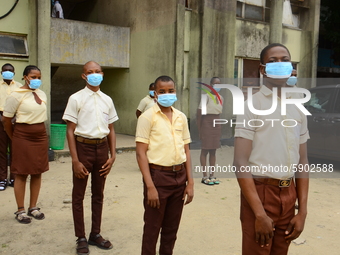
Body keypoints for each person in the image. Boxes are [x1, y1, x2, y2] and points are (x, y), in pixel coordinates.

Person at [233, 43, 309, 255]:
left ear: (292, 67)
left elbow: (303, 162)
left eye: (284, 60)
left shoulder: (299, 106)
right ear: (262, 69)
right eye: (273, 61)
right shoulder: (251, 105)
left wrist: (302, 211)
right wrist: (258, 213)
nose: (280, 64)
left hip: (289, 192)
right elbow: (240, 162)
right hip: (260, 193)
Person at [62, 61, 118, 255]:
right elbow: (70, 131)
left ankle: (95, 234)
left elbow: (111, 129)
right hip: (82, 148)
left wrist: (113, 155)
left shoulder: (107, 100)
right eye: (89, 72)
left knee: (98, 194)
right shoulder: (76, 98)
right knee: (78, 195)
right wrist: (75, 160)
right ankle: (81, 237)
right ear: (83, 76)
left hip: (101, 149)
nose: (94, 74)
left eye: (97, 71)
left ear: (102, 74)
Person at [136, 75, 194, 255]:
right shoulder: (147, 117)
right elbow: (140, 153)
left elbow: (187, 150)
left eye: (170, 91)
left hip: (179, 178)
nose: (167, 94)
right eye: (162, 92)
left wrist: (190, 182)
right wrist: (150, 186)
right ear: (155, 94)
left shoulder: (181, 117)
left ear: (175, 92)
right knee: (152, 229)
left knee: (171, 230)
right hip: (158, 178)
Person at [2, 65, 49, 224]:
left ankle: (33, 207)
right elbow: (6, 120)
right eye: (33, 77)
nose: (37, 80)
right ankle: (20, 210)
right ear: (25, 77)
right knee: (21, 172)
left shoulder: (41, 94)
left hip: (40, 135)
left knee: (37, 171)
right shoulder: (16, 95)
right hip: (22, 135)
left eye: (39, 77)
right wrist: (13, 137)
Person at [197, 77, 223, 185]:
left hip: (216, 123)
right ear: (210, 85)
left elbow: (219, 112)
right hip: (206, 122)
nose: (217, 86)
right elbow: (199, 115)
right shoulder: (206, 97)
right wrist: (200, 130)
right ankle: (205, 176)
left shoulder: (221, 97)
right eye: (215, 83)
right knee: (205, 150)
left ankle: (212, 175)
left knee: (213, 150)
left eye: (219, 83)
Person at [0, 63, 22, 191]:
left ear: (14, 73)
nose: (7, 72)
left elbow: (21, 104)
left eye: (10, 70)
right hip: (0, 119)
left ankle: (14, 177)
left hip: (15, 120)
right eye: (5, 70)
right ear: (1, 72)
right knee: (1, 151)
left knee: (15, 150)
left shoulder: (19, 87)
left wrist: (13, 119)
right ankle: (2, 179)